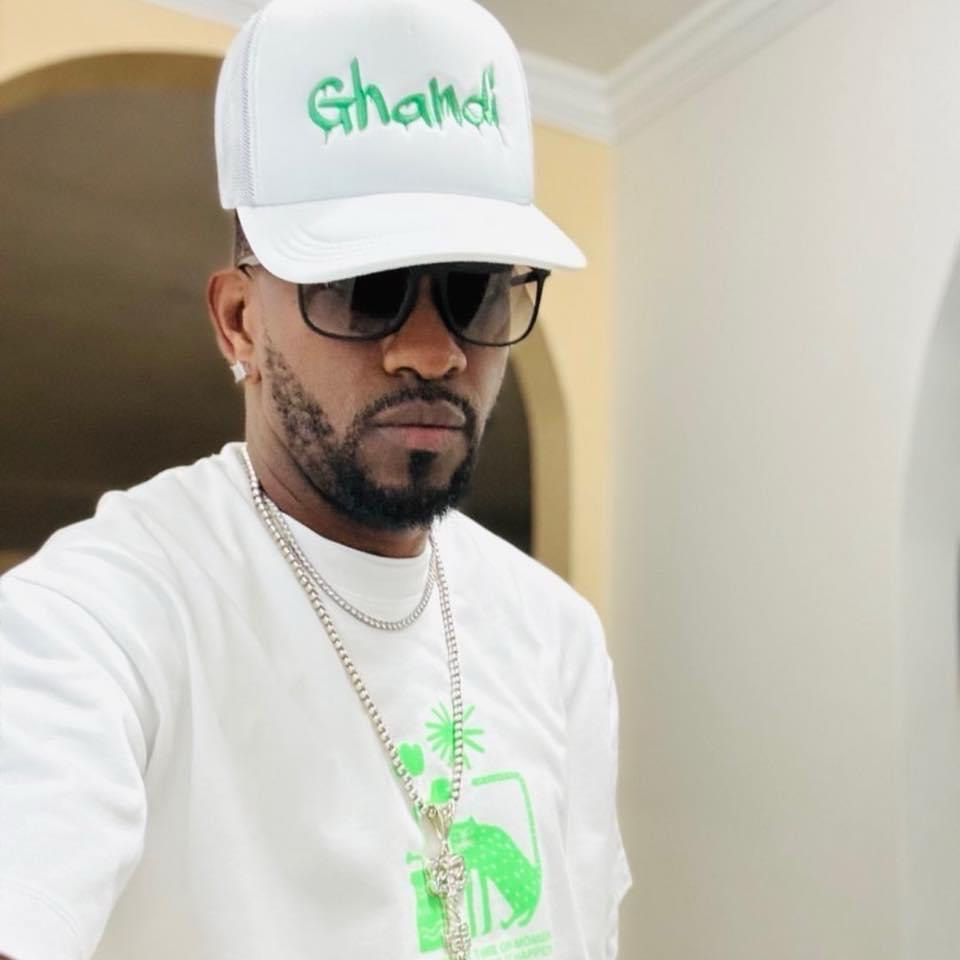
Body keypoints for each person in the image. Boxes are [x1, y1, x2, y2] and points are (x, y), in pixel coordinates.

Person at [0, 0, 630, 958]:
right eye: (366, 289)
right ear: (240, 321)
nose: (433, 351)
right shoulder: (92, 624)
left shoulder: (558, 638)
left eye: (473, 292)